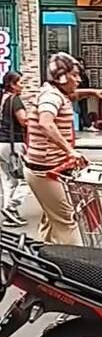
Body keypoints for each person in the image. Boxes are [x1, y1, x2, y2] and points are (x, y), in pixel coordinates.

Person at [26, 53, 102, 245]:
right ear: (62, 77)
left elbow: (73, 95)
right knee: (67, 220)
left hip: (53, 169)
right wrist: (69, 150)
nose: (79, 79)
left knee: (51, 219)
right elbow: (46, 123)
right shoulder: (50, 96)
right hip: (45, 171)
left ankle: (45, 258)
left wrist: (94, 92)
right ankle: (75, 267)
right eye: (75, 75)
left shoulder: (58, 93)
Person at [0, 72, 30, 227]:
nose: (23, 86)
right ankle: (12, 207)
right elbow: (24, 120)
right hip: (13, 144)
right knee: (26, 178)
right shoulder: (15, 99)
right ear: (12, 84)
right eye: (21, 83)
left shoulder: (2, 98)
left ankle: (8, 213)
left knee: (8, 181)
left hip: (1, 143)